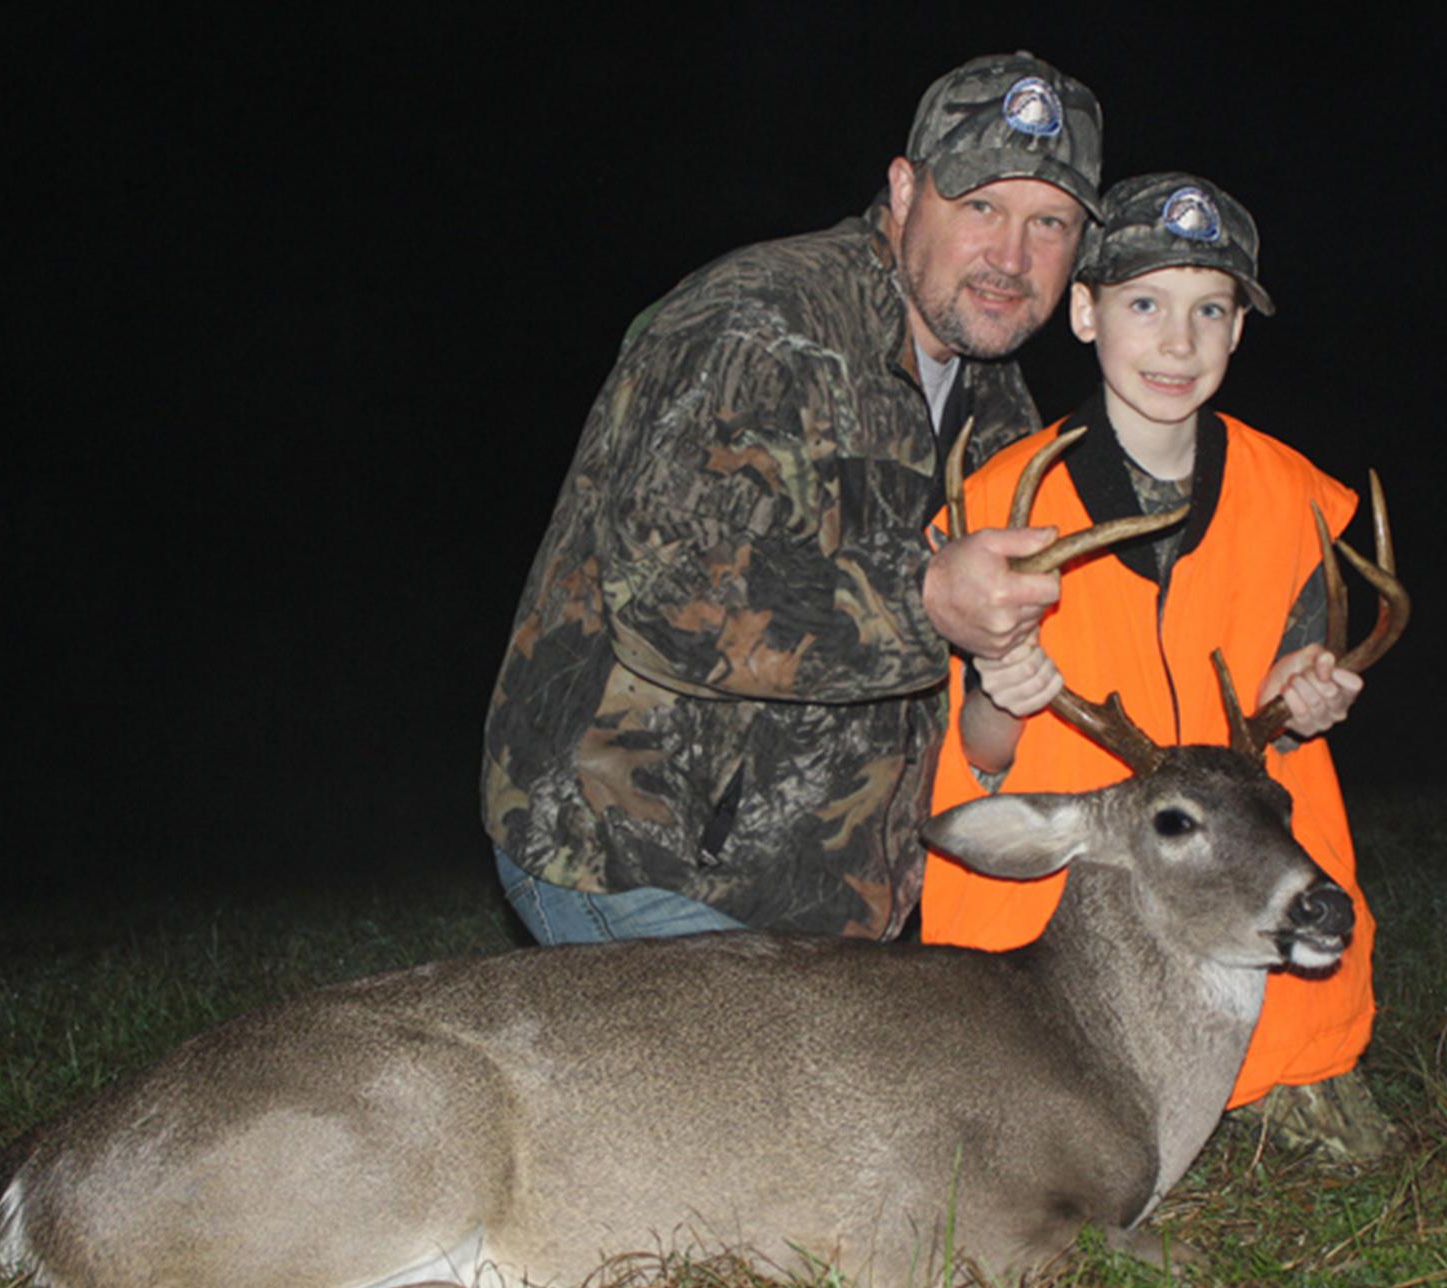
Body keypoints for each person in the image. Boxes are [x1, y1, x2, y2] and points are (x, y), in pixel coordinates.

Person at [482, 54, 1102, 944]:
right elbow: (665, 594)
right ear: (903, 189)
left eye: (1050, 222)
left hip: (820, 902)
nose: (1011, 256)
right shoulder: (758, 325)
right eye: (980, 208)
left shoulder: (1002, 408)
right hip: (626, 856)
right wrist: (925, 599)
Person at [919, 172, 1397, 1161]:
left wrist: (1303, 701)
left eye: (1209, 310)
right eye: (1146, 305)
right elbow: (982, 748)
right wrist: (1005, 691)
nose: (1178, 343)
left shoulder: (1293, 498)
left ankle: (1271, 1078)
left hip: (1258, 949)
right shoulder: (1003, 505)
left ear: (1237, 331)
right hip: (1042, 967)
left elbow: (1281, 701)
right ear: (1086, 314)